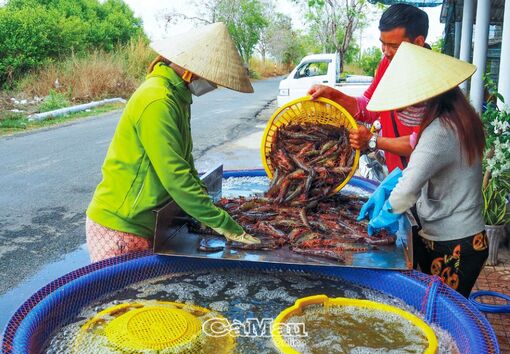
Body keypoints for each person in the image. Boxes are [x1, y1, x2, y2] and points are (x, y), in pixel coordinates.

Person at [86, 22, 260, 263]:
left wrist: (206, 203)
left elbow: (185, 161)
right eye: (211, 78)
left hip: (147, 224)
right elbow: (175, 175)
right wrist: (223, 223)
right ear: (190, 71)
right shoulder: (157, 99)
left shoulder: (178, 96)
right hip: (121, 226)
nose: (212, 85)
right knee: (124, 298)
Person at [359, 42, 488, 297]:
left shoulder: (439, 131)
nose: (401, 113)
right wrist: (388, 184)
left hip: (456, 242)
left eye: (405, 106)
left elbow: (406, 192)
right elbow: (426, 168)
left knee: (443, 312)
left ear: (426, 99)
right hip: (457, 235)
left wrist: (385, 213)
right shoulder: (456, 116)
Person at [308, 3, 429, 172]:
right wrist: (333, 95)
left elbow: (422, 143)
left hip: (421, 179)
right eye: (383, 43)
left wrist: (373, 141)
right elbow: (370, 107)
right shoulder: (387, 64)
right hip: (395, 172)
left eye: (394, 46)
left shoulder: (432, 80)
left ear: (418, 42)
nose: (386, 52)